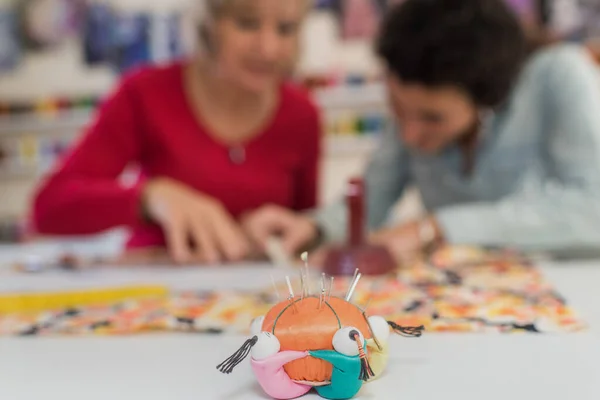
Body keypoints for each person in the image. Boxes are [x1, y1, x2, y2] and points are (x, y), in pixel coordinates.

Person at [243, 0, 600, 261]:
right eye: (398, 109)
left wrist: (437, 228)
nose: (409, 135)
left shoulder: (559, 75)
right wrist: (313, 229)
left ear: (487, 99)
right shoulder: (412, 106)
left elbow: (591, 211)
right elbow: (372, 199)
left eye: (433, 118)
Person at [31, 0, 320, 264]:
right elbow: (48, 208)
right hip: (149, 293)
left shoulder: (303, 115)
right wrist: (151, 197)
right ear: (209, 25)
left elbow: (306, 231)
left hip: (253, 303)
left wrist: (284, 233)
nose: (268, 48)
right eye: (247, 24)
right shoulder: (144, 95)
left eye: (285, 29)